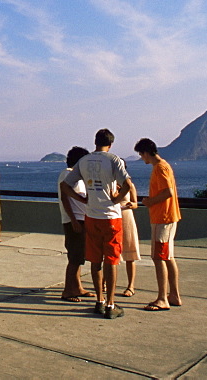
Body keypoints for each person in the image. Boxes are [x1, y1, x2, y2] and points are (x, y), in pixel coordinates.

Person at [61, 128, 132, 319]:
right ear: (110, 144)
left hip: (91, 216)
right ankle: (110, 303)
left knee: (95, 259)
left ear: (95, 142)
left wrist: (83, 200)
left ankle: (99, 301)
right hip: (111, 217)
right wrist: (116, 200)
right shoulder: (113, 160)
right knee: (112, 259)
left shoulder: (84, 161)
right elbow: (128, 185)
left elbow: (65, 186)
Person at [135, 137, 182, 311]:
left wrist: (151, 201)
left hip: (163, 218)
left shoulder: (160, 168)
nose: (142, 158)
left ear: (146, 153)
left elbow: (168, 192)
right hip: (167, 217)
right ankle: (174, 295)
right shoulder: (163, 166)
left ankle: (163, 298)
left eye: (141, 154)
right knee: (168, 256)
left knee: (159, 257)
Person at [58, 146, 93, 302]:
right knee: (74, 256)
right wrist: (73, 220)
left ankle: (77, 287)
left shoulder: (75, 176)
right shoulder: (67, 174)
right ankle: (68, 290)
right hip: (75, 220)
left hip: (81, 218)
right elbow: (65, 198)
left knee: (79, 256)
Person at [117, 164, 140, 297]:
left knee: (130, 254)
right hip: (113, 218)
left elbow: (136, 203)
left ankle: (130, 286)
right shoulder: (111, 184)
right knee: (109, 253)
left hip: (126, 218)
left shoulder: (130, 185)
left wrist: (131, 204)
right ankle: (104, 282)